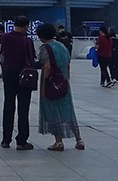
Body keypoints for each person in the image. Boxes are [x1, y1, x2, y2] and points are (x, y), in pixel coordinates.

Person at [37, 23, 84, 152]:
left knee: (53, 112)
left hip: (51, 84)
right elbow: (68, 65)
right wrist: (66, 80)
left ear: (42, 36)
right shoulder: (62, 46)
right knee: (68, 111)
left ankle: (58, 142)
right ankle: (79, 139)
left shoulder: (45, 48)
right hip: (63, 83)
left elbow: (47, 68)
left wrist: (43, 88)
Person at [0, 16, 36, 150]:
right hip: (23, 76)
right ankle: (21, 141)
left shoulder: (4, 37)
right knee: (23, 109)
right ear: (26, 26)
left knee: (8, 106)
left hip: (8, 74)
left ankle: (6, 139)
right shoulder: (27, 40)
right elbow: (31, 58)